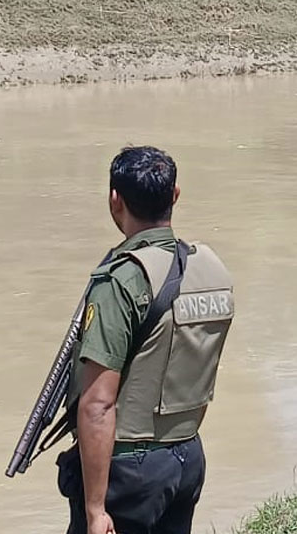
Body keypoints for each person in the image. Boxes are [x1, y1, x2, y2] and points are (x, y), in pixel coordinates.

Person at [58, 146, 235, 534]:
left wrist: (95, 508)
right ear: (174, 196)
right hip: (187, 456)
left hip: (127, 470)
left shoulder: (123, 280)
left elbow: (98, 405)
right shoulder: (211, 268)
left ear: (114, 200)